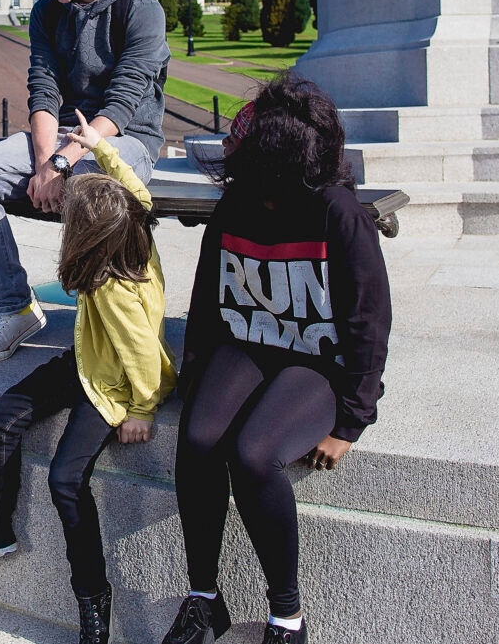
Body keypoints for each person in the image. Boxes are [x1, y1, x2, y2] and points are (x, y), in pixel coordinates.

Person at [160, 75, 391, 644]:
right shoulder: (236, 204)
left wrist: (350, 421)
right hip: (249, 343)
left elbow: (368, 319)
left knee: (255, 453)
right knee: (196, 438)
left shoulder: (339, 211)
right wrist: (197, 371)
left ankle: (286, 616)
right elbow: (209, 298)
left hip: (317, 360)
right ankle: (203, 598)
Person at [0, 109, 175, 644]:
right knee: (1, 416)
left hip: (111, 382)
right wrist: (100, 147)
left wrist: (141, 409)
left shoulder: (113, 283)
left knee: (65, 480)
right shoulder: (135, 221)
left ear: (87, 237)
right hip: (87, 357)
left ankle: (93, 599)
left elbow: (141, 353)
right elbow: (133, 186)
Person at [0, 0, 170, 365]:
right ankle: (15, 307)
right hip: (66, 133)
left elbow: (123, 102)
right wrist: (47, 160)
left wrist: (62, 164)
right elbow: (43, 87)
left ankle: (112, 326)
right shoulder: (48, 12)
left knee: (89, 189)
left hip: (125, 137)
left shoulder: (141, 10)